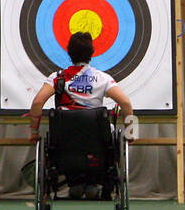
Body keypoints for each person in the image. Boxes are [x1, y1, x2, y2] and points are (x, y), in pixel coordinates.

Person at [27, 31, 135, 200]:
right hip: (98, 142)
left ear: (69, 53)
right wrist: (130, 133)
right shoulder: (102, 78)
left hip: (64, 142)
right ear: (92, 53)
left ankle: (75, 183)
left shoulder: (57, 78)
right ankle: (95, 184)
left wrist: (34, 132)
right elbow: (126, 104)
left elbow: (37, 103)